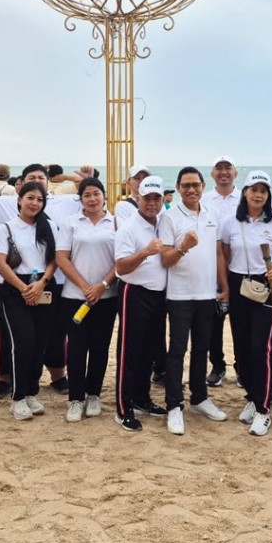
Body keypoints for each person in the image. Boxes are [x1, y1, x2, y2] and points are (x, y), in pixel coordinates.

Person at [216, 171, 272, 436]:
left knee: (262, 347)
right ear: (244, 192)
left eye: (264, 191)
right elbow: (223, 254)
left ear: (268, 196)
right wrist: (224, 288)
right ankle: (253, 397)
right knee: (243, 349)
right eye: (254, 189)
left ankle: (264, 409)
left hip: (264, 288)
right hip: (237, 285)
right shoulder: (229, 223)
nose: (258, 194)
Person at [158, 166, 227, 435]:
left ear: (202, 186)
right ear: (178, 189)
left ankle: (199, 397)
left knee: (202, 348)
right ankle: (174, 405)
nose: (191, 189)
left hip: (206, 293)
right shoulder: (170, 217)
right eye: (185, 185)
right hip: (179, 295)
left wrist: (224, 286)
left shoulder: (212, 214)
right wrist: (184, 246)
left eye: (195, 185)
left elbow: (219, 253)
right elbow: (165, 259)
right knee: (177, 350)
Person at [0, 181, 59, 420]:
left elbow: (55, 258)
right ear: (19, 199)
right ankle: (17, 396)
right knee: (22, 342)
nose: (34, 203)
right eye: (30, 198)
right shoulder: (7, 227)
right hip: (13, 288)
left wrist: (42, 283)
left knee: (40, 342)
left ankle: (32, 391)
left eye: (40, 200)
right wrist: (23, 288)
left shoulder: (48, 226)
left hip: (42, 285)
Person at [56, 177, 118, 422]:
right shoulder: (71, 222)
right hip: (75, 297)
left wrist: (102, 285)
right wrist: (85, 286)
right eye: (87, 195)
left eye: (96, 194)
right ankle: (75, 398)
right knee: (77, 347)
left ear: (104, 196)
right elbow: (62, 257)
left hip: (107, 296)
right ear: (80, 199)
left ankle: (94, 394)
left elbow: (120, 260)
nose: (92, 199)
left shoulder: (116, 223)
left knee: (100, 347)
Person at [113, 176, 168, 432]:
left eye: (157, 198)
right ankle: (123, 408)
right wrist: (145, 252)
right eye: (148, 198)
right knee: (129, 352)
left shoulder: (163, 223)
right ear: (138, 198)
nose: (153, 203)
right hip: (134, 293)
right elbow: (121, 267)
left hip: (158, 295)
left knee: (150, 351)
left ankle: (142, 398)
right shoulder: (128, 227)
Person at [200, 156, 241, 390]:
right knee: (212, 326)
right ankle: (218, 366)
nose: (224, 172)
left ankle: (242, 368)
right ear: (212, 173)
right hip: (212, 273)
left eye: (228, 168)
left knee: (241, 325)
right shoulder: (205, 200)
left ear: (235, 172)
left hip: (239, 272)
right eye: (219, 168)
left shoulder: (244, 199)